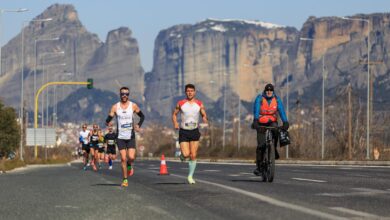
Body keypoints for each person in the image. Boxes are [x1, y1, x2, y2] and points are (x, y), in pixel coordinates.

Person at [106, 87, 145, 187]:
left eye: (126, 94)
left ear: (129, 94)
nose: (124, 95)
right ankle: (125, 179)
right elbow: (109, 118)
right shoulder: (115, 107)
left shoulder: (133, 106)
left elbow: (142, 116)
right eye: (122, 94)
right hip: (120, 137)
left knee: (131, 157)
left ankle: (129, 165)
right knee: (123, 158)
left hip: (130, 136)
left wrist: (138, 125)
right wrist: (108, 121)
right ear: (120, 94)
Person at [172, 84, 208, 184]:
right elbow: (174, 114)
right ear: (185, 92)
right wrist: (175, 123)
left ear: (195, 92)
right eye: (188, 91)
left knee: (193, 155)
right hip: (184, 131)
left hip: (194, 131)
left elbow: (203, 114)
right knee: (186, 154)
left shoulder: (199, 103)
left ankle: (190, 176)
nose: (190, 92)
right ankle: (182, 156)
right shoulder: (181, 103)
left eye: (192, 91)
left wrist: (205, 118)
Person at [252, 83, 289, 176]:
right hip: (260, 122)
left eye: (270, 90)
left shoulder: (276, 100)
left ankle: (273, 149)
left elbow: (281, 111)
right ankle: (259, 166)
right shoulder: (260, 99)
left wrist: (285, 122)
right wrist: (255, 120)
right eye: (267, 90)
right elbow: (256, 109)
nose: (269, 92)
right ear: (265, 91)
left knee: (276, 130)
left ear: (273, 91)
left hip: (272, 121)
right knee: (261, 145)